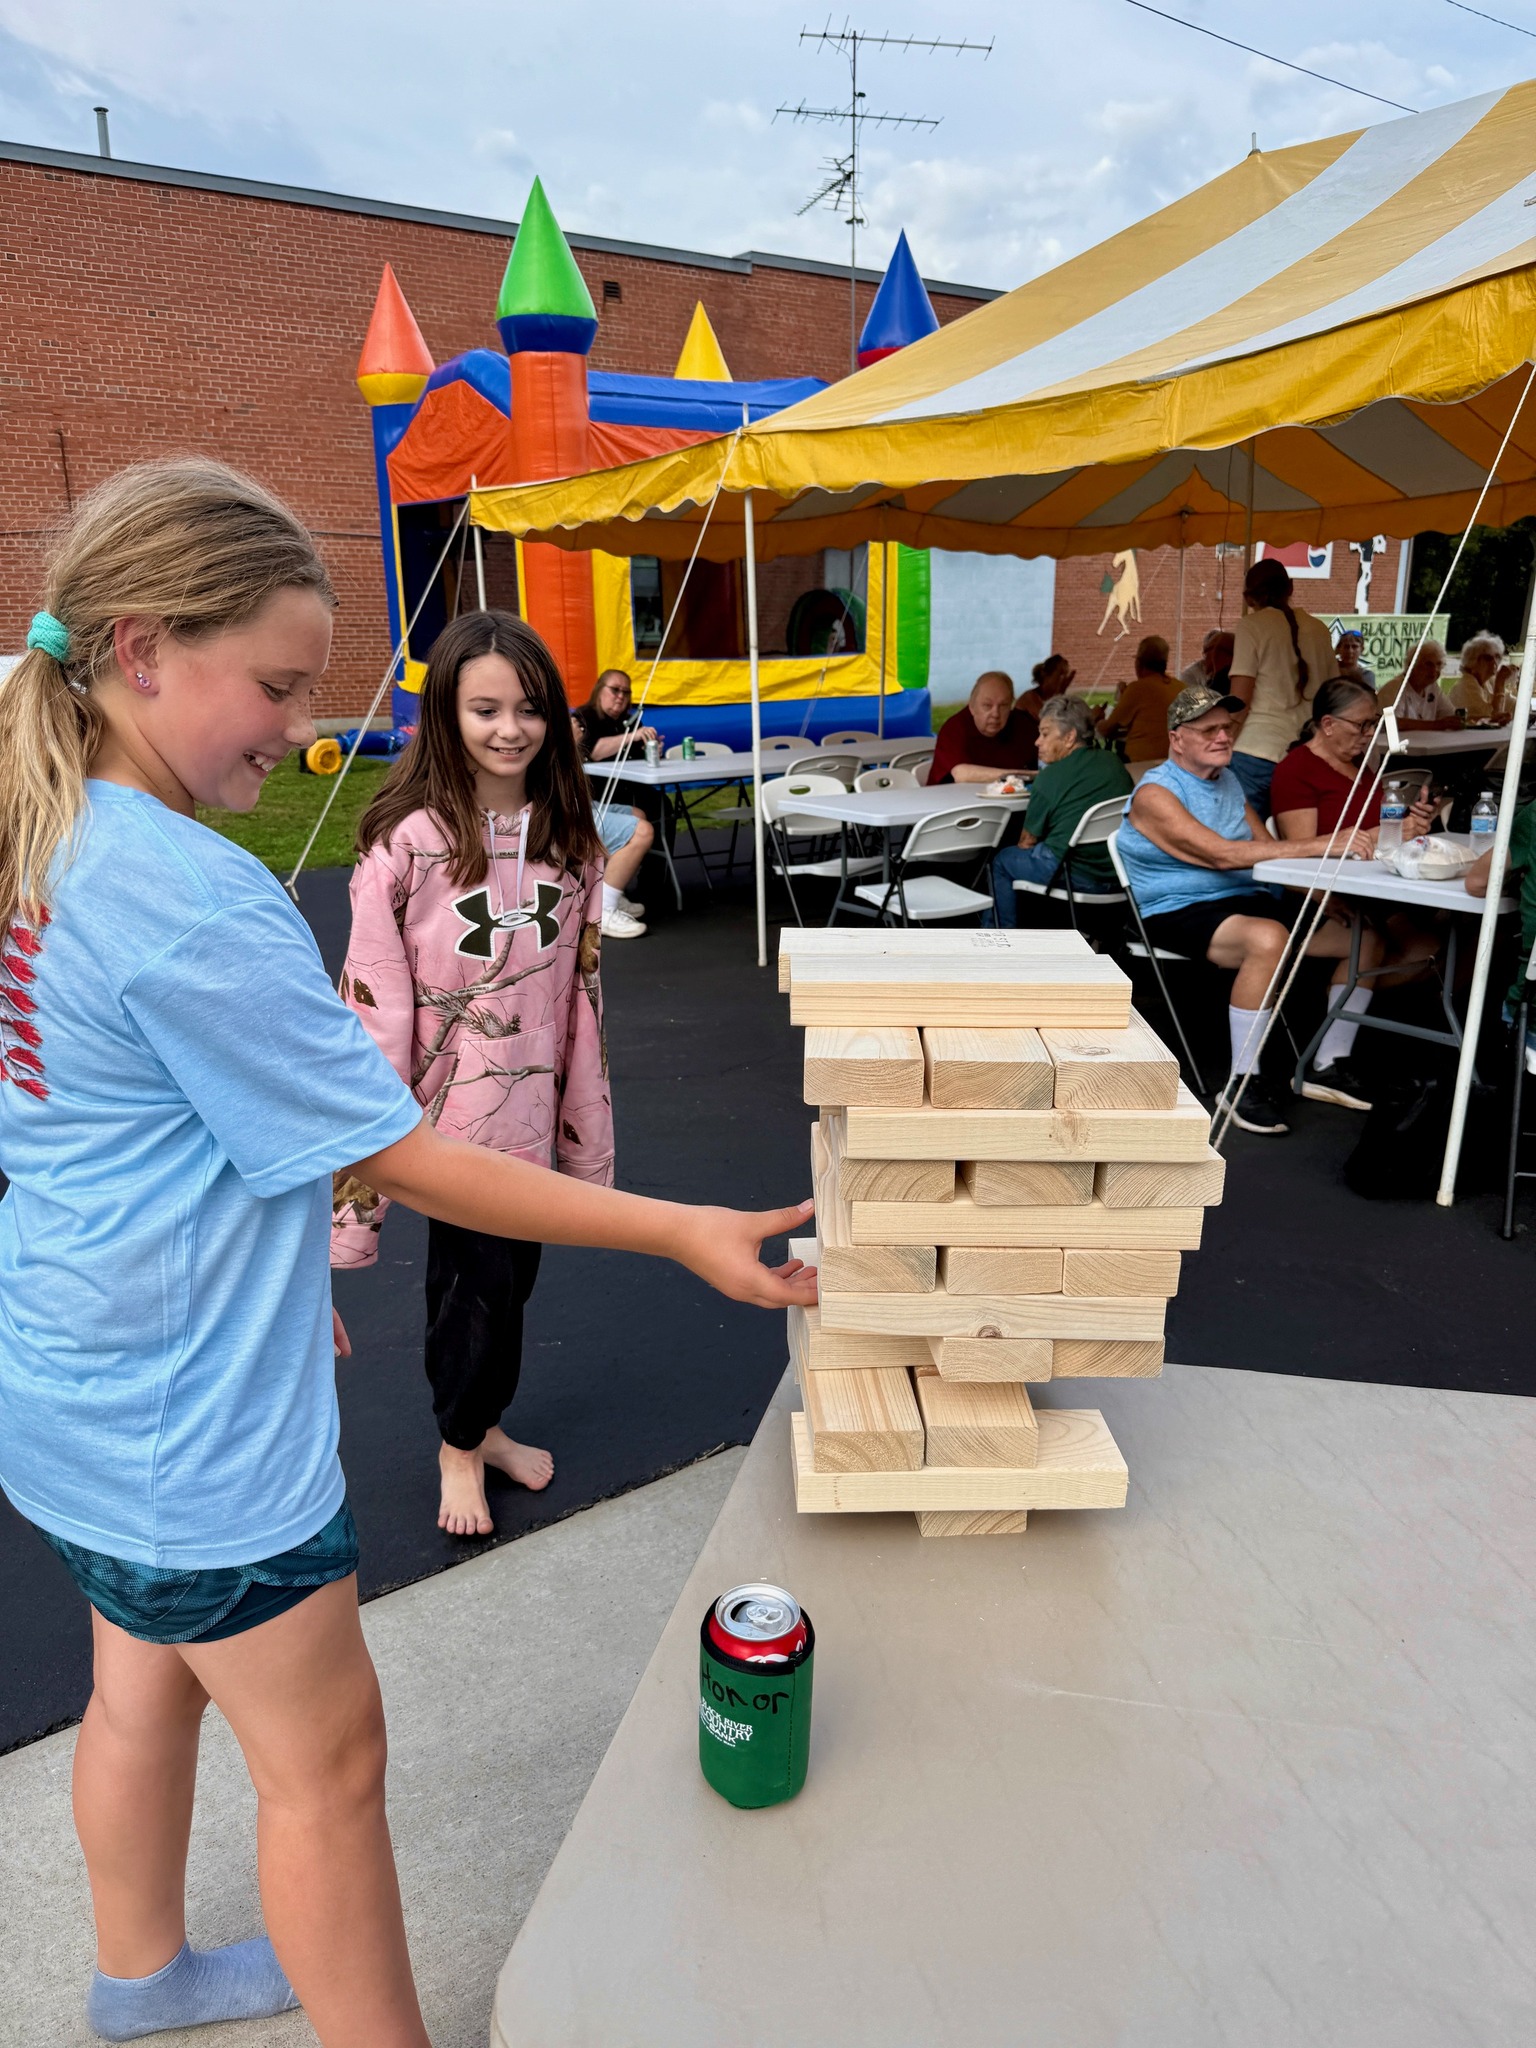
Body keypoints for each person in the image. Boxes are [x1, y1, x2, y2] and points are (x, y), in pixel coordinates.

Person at [0, 458, 815, 2048]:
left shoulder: (38, 824)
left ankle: (140, 1973)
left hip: (72, 1385)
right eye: (277, 685)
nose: (302, 727)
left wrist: (267, 1270)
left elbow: (108, 1117)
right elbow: (407, 1152)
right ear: (144, 648)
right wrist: (682, 1229)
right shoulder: (190, 896)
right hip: (195, 1436)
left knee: (142, 1684)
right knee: (327, 1771)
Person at [334, 610, 613, 1540]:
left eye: (529, 708)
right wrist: (371, 1149)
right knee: (474, 1289)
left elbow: (580, 992)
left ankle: (483, 1424)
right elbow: (373, 999)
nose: (510, 728)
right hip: (450, 1122)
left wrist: (581, 1115)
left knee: (510, 1283)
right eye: (485, 709)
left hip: (533, 1102)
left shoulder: (570, 839)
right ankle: (459, 1443)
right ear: (445, 716)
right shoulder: (407, 844)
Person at [1116, 682, 1380, 1134]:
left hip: (1244, 900)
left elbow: (1267, 852)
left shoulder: (1229, 780)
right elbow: (1221, 855)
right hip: (1176, 907)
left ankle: (1327, 1063)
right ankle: (1242, 1083)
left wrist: (1322, 898)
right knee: (1268, 937)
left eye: (1228, 727)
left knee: (1363, 935)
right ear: (1177, 738)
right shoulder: (1155, 793)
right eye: (1209, 730)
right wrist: (1324, 844)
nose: (1224, 737)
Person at [987, 696, 1130, 925]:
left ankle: (999, 938)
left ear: (1070, 737)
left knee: (1003, 860)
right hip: (1120, 873)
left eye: (1045, 734)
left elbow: (1026, 843)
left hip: (1074, 873)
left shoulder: (1049, 777)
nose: (1037, 742)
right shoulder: (1113, 763)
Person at [1227, 556, 1338, 816]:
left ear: (1248, 598)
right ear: (1291, 587)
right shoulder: (1319, 629)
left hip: (1255, 751)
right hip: (1304, 752)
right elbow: (1334, 694)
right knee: (1295, 837)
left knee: (1243, 834)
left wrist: (1222, 742)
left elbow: (1239, 701)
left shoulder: (1251, 626)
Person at [1271, 677, 1437, 841]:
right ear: (1328, 724)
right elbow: (1303, 848)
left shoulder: (1357, 761)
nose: (1371, 732)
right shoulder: (1296, 770)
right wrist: (1385, 833)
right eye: (1362, 724)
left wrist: (1413, 820)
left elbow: (1373, 817)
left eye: (1373, 723)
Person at [571, 668, 659, 935]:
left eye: (626, 692)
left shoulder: (630, 721)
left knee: (645, 810)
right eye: (615, 690)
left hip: (622, 791)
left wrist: (651, 748)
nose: (621, 696)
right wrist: (632, 736)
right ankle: (604, 910)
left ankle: (617, 886)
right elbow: (594, 752)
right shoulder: (582, 719)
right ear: (600, 690)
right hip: (595, 794)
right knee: (642, 830)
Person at [1095, 633, 1183, 780]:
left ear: (1139, 663)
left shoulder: (1138, 689)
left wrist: (1096, 718)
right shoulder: (1181, 688)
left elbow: (1107, 729)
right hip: (1176, 762)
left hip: (1140, 766)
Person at [928, 669, 1039, 784]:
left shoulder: (1022, 726)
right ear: (972, 707)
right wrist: (1022, 776)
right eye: (987, 705)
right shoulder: (955, 728)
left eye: (1003, 705)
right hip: (952, 794)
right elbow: (961, 774)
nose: (995, 714)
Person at [1379, 640, 1457, 731]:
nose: (1434, 670)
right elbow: (1392, 723)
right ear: (1412, 665)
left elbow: (1450, 714)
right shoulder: (1395, 687)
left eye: (1438, 664)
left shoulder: (1433, 687)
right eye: (1428, 664)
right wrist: (1436, 725)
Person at [1451, 630, 1517, 723]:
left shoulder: (1488, 681)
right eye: (1488, 658)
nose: (1494, 662)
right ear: (1472, 661)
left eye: (1497, 656)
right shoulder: (1466, 686)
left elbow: (1513, 704)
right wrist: (1500, 682)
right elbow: (1492, 718)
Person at [1015, 652, 1074, 725]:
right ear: (1046, 676)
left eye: (1066, 674)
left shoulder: (1052, 698)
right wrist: (1060, 693)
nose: (1064, 679)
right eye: (1060, 674)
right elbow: (1051, 722)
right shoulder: (1029, 697)